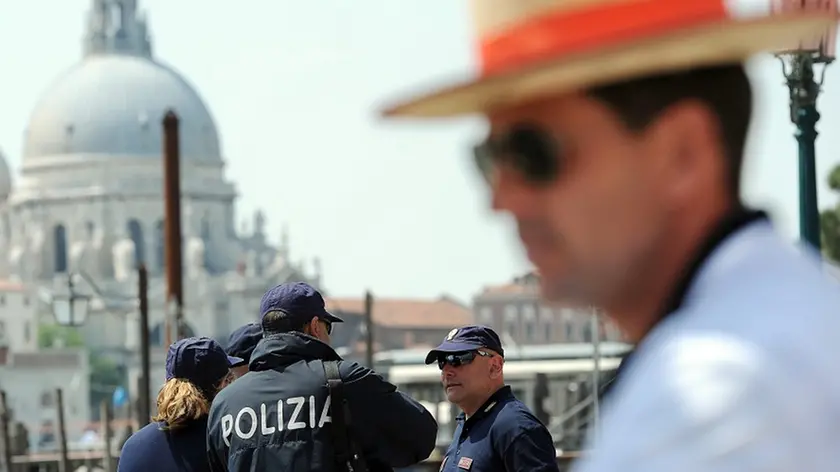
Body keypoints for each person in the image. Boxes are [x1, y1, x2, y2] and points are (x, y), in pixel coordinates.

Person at [379, 1, 840, 471]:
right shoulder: (774, 331)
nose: (501, 198)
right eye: (489, 159)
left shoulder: (710, 398)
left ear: (681, 152)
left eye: (532, 153)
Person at [207, 281, 438, 472]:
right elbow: (421, 436)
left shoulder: (225, 404)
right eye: (329, 328)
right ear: (315, 326)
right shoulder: (345, 379)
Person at [426, 325, 558, 472]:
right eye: (442, 361)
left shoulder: (516, 427)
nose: (447, 371)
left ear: (495, 366)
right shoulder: (468, 424)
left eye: (459, 358)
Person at [118, 337, 241, 472]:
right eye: (230, 379)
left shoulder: (134, 446)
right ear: (223, 385)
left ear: (167, 382)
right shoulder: (228, 444)